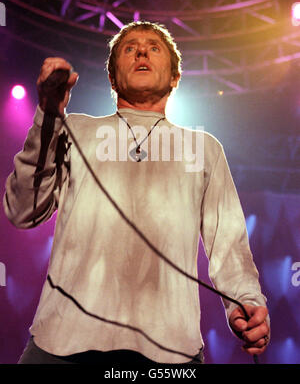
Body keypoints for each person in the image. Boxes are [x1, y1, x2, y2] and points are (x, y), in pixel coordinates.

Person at [3, 21, 270, 365]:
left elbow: (229, 245)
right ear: (113, 79)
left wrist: (243, 300)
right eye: (130, 48)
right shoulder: (76, 129)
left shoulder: (203, 148)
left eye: (153, 47)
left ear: (175, 77)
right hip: (63, 343)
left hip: (169, 351)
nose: (142, 51)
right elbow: (23, 210)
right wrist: (48, 117)